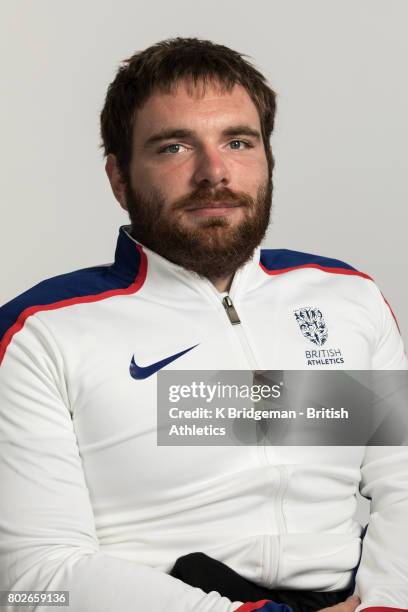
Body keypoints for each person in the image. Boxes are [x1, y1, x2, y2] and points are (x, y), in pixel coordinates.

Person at [0, 37, 407, 612]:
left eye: (238, 142)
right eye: (173, 147)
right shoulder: (40, 332)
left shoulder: (349, 298)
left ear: (267, 159)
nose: (214, 172)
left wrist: (388, 602)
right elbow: (34, 580)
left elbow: (403, 482)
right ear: (119, 178)